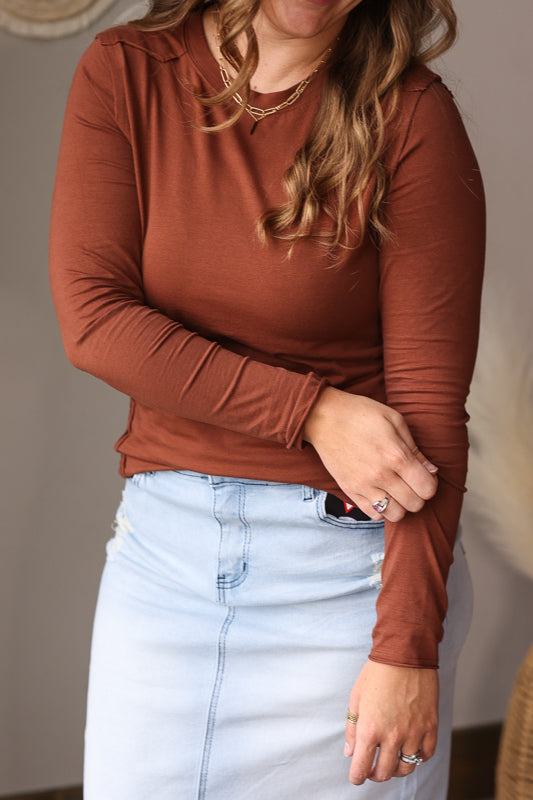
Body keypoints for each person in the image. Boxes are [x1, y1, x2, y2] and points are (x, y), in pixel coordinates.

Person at [48, 0, 485, 796]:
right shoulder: (127, 70)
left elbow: (428, 415)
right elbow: (95, 320)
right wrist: (311, 411)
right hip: (162, 569)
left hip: (349, 582)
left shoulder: (410, 114)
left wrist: (405, 646)